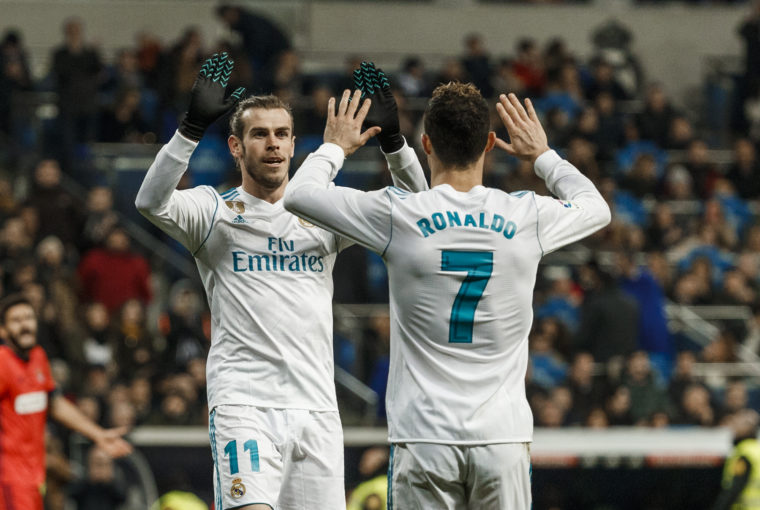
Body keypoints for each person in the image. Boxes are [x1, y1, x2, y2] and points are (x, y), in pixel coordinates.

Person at [284, 85, 611, 508]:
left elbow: (299, 195)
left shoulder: (399, 214)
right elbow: (596, 207)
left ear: (426, 144)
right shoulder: (526, 215)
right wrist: (542, 155)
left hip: (424, 436)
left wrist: (335, 146)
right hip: (502, 437)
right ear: (490, 143)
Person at [135, 53, 426, 509]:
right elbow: (150, 202)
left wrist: (395, 144)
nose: (272, 143)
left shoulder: (327, 212)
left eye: (282, 134)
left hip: (317, 409)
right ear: (236, 146)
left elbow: (419, 207)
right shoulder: (213, 211)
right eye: (260, 134)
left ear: (293, 146)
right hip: (244, 405)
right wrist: (189, 130)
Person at [0, 293, 132, 510]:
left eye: (28, 318)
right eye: (16, 320)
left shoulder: (38, 357)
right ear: (2, 330)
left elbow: (54, 403)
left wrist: (98, 434)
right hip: (7, 480)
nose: (25, 325)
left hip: (33, 479)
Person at [713, 409, 760, 510]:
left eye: (737, 423)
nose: (733, 428)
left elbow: (735, 488)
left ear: (747, 428)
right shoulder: (756, 450)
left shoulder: (745, 453)